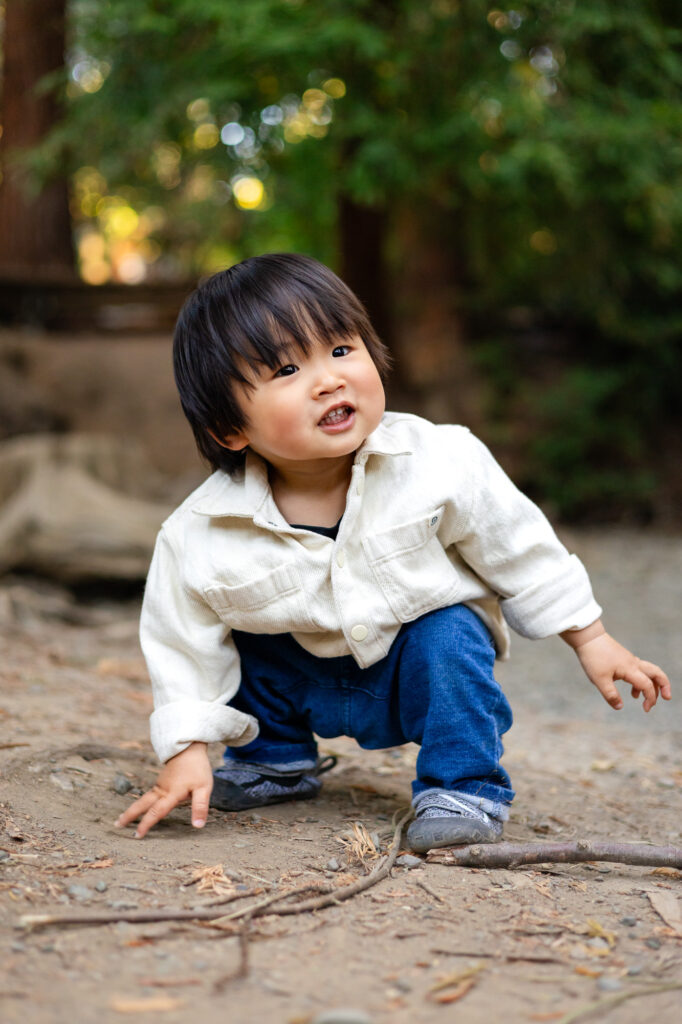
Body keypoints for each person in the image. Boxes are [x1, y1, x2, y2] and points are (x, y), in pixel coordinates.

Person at [115, 253, 671, 851]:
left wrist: (590, 637)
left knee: (453, 630)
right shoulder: (199, 531)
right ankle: (274, 760)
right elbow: (181, 646)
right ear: (231, 429)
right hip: (300, 677)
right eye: (286, 369)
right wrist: (185, 752)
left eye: (339, 350)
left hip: (411, 670)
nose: (328, 379)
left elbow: (520, 546)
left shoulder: (440, 459)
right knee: (241, 632)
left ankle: (462, 787)